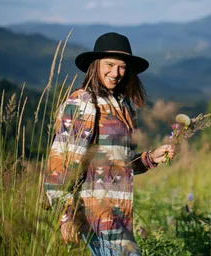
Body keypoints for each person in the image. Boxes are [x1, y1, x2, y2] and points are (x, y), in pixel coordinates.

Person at [43, 32, 176, 256]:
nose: (115, 73)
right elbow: (61, 164)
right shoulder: (83, 102)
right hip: (95, 214)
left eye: (122, 67)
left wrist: (150, 158)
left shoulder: (122, 106)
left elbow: (117, 161)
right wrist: (66, 215)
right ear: (95, 65)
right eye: (109, 64)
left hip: (119, 215)